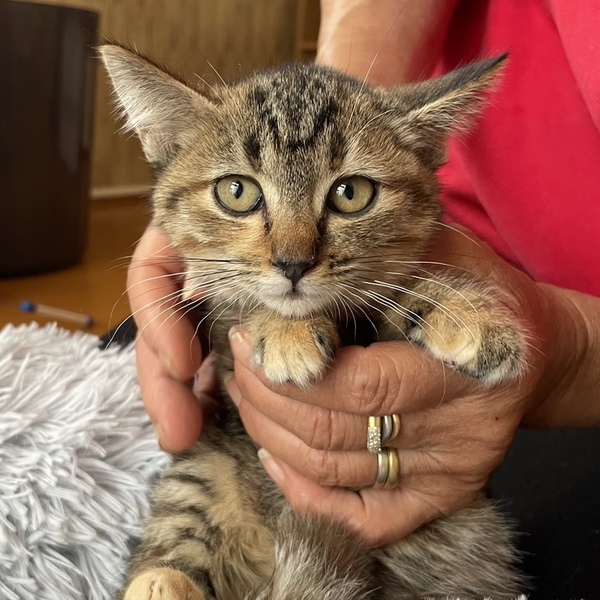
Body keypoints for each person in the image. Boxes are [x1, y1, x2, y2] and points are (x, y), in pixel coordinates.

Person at [127, 0, 600, 573]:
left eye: (349, 194)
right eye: (239, 193)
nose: (294, 254)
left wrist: (571, 356)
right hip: (461, 250)